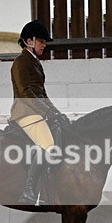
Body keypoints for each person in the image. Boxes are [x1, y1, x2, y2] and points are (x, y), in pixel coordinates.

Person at [10, 19, 69, 205]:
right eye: (41, 41)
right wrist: (46, 112)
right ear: (29, 41)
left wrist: (57, 113)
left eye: (44, 42)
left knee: (60, 130)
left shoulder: (35, 63)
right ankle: (28, 191)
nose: (44, 45)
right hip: (25, 112)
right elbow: (25, 92)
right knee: (47, 145)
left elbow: (42, 94)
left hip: (37, 111)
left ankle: (46, 189)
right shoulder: (20, 62)